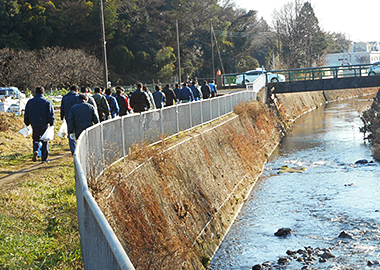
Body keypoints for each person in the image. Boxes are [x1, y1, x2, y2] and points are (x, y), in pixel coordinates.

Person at [24, 87, 55, 163]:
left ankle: (36, 150)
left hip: (34, 123)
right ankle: (44, 158)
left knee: (35, 139)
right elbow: (51, 114)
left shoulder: (30, 102)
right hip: (44, 123)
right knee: (45, 140)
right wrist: (51, 123)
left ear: (35, 92)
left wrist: (27, 123)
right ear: (43, 93)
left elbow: (26, 113)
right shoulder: (47, 102)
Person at [61, 85, 79, 154]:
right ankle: (78, 147)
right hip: (78, 117)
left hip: (68, 117)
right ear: (77, 90)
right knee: (78, 132)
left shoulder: (65, 97)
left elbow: (62, 108)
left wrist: (62, 117)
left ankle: (72, 149)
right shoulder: (78, 97)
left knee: (70, 132)